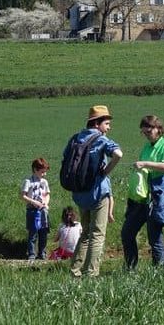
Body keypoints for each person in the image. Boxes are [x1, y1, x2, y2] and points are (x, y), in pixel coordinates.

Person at [68, 105, 123, 278]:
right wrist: (106, 171)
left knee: (85, 233)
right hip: (98, 192)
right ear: (97, 123)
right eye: (106, 123)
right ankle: (91, 274)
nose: (109, 127)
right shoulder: (101, 139)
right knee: (97, 234)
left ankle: (75, 270)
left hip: (80, 192)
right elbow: (119, 154)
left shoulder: (75, 138)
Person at [121, 115, 164, 269]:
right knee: (127, 232)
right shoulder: (147, 146)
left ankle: (160, 270)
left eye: (148, 131)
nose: (146, 135)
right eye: (144, 133)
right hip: (143, 195)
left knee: (154, 237)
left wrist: (145, 163)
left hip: (159, 192)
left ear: (158, 128)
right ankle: (130, 267)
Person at [21, 158, 51, 261]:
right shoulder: (28, 181)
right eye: (42, 172)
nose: (44, 174)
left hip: (43, 210)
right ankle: (31, 254)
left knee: (43, 233)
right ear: (35, 170)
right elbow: (23, 196)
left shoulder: (45, 182)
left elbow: (47, 194)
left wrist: (45, 203)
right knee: (32, 233)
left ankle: (42, 253)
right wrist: (34, 202)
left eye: (45, 171)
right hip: (32, 210)